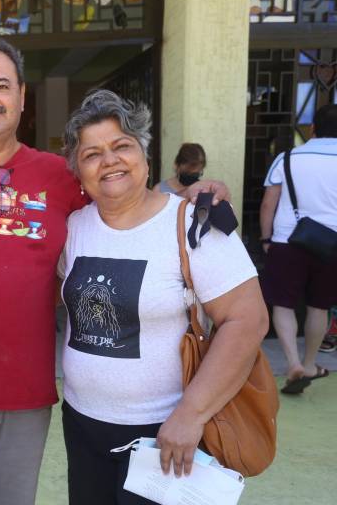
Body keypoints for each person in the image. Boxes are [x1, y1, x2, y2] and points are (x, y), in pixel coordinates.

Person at [0, 36, 230, 505]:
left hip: (27, 393)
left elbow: (129, 204)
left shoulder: (64, 176)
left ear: (21, 96)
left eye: (0, 85)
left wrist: (196, 194)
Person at [59, 89, 268, 505]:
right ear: (79, 172)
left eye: (122, 146)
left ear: (146, 155)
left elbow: (248, 320)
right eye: (92, 153)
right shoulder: (73, 227)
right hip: (82, 425)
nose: (110, 160)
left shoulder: (192, 223)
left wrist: (191, 414)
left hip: (167, 432)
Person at [259, 103, 337, 394]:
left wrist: (266, 239)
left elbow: (269, 202)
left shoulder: (288, 157)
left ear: (312, 128)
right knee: (319, 306)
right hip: (332, 244)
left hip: (287, 240)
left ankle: (292, 362)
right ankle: (309, 363)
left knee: (284, 304)